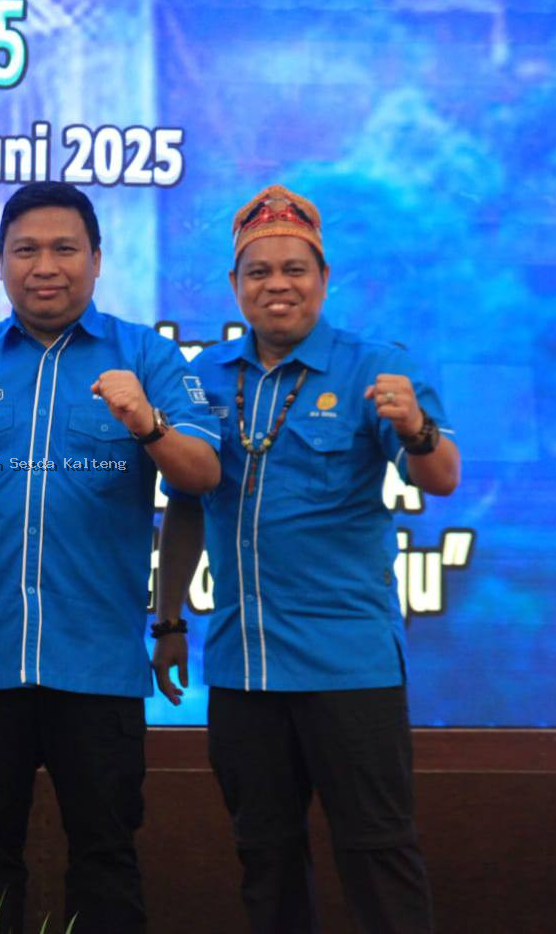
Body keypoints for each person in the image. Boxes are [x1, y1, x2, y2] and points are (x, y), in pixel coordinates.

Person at [0, 181, 221, 933]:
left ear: (97, 259)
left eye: (65, 248)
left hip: (97, 663)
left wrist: (146, 421)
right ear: (1, 262)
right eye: (26, 250)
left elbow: (202, 475)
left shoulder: (148, 357)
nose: (46, 266)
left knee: (106, 861)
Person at [155, 184, 461, 934]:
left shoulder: (375, 369)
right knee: (265, 861)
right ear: (235, 284)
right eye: (258, 271)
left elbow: (442, 477)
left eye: (295, 269)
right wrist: (167, 622)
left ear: (323, 278)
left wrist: (416, 430)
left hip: (348, 666)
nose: (277, 285)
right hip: (243, 668)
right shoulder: (204, 377)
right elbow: (186, 503)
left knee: (378, 854)